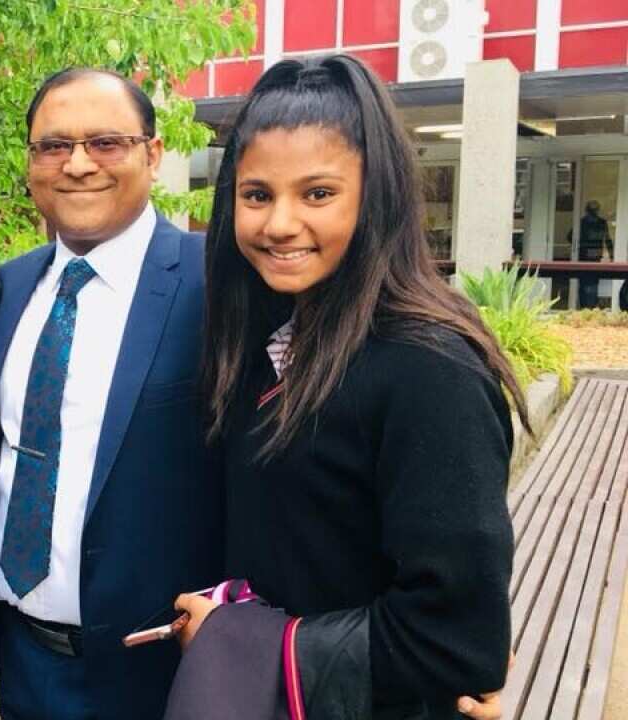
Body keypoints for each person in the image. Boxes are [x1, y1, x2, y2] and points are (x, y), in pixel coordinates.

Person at [167, 55, 516, 720]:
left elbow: (457, 640)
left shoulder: (429, 368)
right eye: (257, 195)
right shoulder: (264, 345)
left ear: (374, 196)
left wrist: (236, 641)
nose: (279, 224)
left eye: (318, 194)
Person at [0, 67, 221, 720]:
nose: (77, 165)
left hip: (161, 669)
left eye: (105, 142)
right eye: (54, 146)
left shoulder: (217, 281)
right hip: (24, 659)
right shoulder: (6, 288)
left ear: (154, 154)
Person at [577, 200, 611, 308]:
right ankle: (590, 306)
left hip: (585, 254)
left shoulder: (582, 222)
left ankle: (586, 306)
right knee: (592, 281)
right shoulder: (601, 222)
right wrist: (611, 254)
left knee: (586, 281)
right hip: (593, 254)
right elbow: (608, 239)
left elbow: (570, 236)